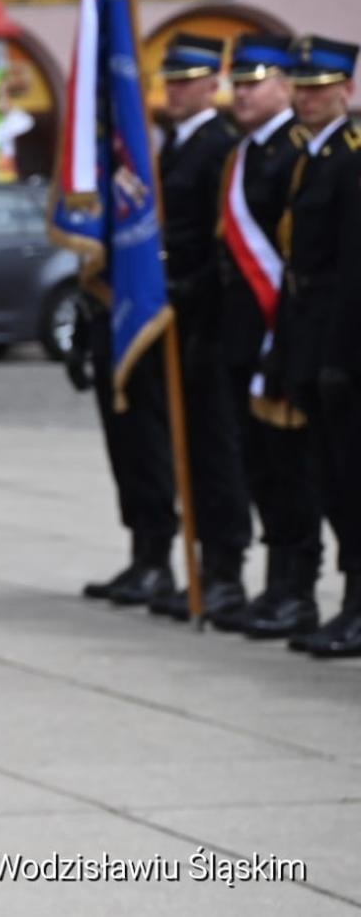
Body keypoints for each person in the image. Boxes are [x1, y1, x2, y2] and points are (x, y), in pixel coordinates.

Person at [209, 35, 325, 638]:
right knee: (258, 465)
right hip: (243, 333)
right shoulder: (245, 154)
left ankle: (298, 588)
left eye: (255, 83)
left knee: (292, 467)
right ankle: (277, 585)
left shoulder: (297, 151)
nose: (244, 94)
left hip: (284, 332)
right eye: (239, 84)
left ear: (283, 85)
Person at [140, 34, 252, 622]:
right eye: (172, 81)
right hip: (178, 321)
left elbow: (218, 244)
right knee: (192, 450)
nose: (176, 91)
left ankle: (225, 570)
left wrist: (187, 294)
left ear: (213, 85)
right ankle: (200, 569)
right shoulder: (177, 147)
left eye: (188, 82)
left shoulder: (218, 148)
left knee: (216, 452)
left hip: (207, 321)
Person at [268, 34, 361, 656]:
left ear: (345, 91)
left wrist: (340, 358)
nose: (307, 100)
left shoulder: (350, 159)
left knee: (352, 481)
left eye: (319, 90)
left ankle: (357, 604)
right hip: (310, 335)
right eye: (301, 89)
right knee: (327, 478)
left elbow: (353, 268)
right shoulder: (313, 158)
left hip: (341, 346)